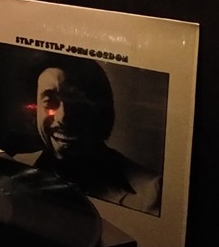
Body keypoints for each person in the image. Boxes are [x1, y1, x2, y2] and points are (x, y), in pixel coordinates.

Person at [12, 55, 163, 216]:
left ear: (102, 112)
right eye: (49, 102)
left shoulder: (149, 193)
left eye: (77, 103)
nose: (63, 117)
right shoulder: (17, 164)